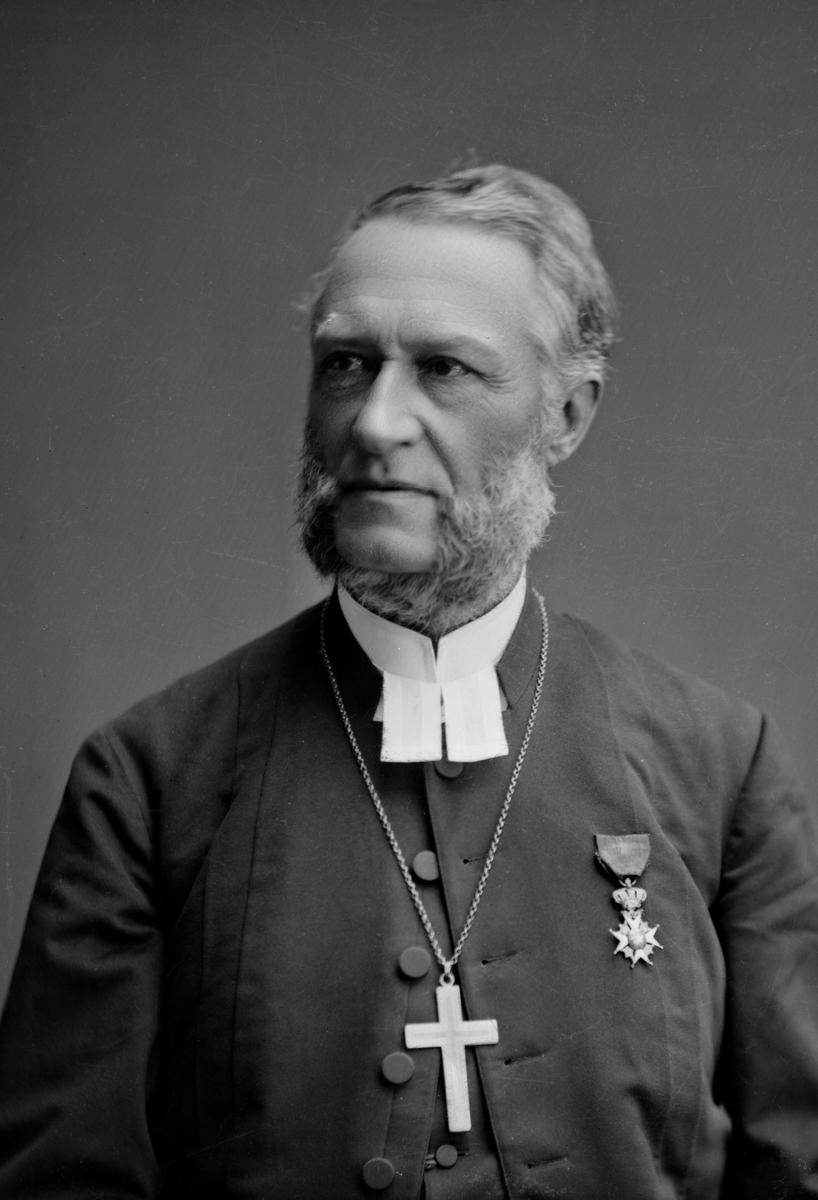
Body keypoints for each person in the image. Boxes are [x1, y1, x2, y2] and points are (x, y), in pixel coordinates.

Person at [0, 164, 816, 1200]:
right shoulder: (149, 778)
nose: (375, 423)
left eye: (443, 368)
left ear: (565, 415)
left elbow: (795, 1165)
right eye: (346, 364)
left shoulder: (719, 764)